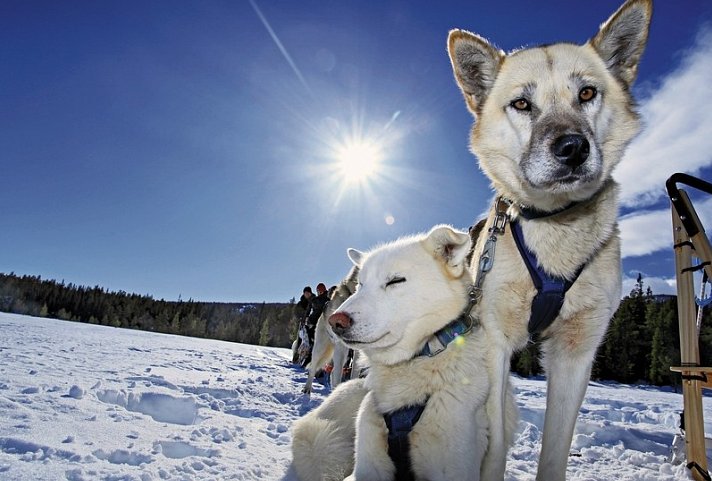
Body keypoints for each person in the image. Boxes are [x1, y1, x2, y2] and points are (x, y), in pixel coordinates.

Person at [302, 283, 329, 367]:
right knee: (312, 342)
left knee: (313, 343)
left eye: (319, 291)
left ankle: (312, 361)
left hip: (316, 324)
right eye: (318, 291)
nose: (319, 292)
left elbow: (315, 310)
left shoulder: (320, 300)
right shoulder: (323, 299)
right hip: (314, 323)